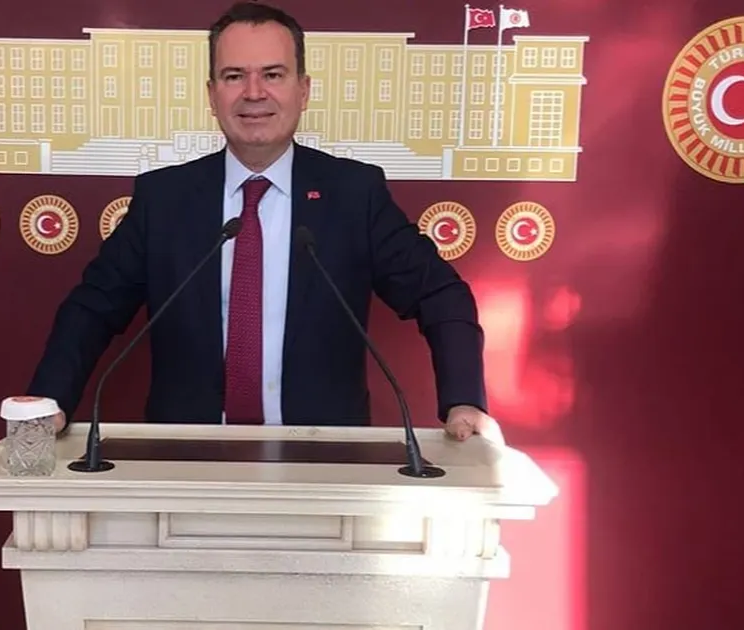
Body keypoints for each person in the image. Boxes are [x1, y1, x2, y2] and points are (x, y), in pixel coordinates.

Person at [26, 1, 498, 441]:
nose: (254, 93)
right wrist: (50, 399)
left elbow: (439, 294)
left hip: (321, 455)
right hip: (188, 455)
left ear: (303, 90)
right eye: (234, 76)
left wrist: (463, 400)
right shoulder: (164, 198)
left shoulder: (355, 194)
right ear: (212, 95)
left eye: (273, 74)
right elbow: (93, 307)